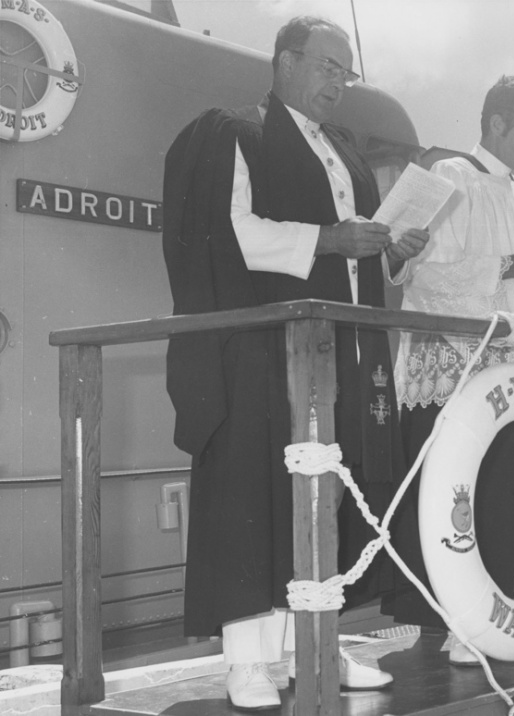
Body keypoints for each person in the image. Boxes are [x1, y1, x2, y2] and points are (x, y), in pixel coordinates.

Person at [162, 16, 429, 710]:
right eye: (327, 67)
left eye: (346, 73)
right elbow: (231, 233)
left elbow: (351, 255)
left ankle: (318, 643)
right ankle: (249, 662)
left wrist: (388, 252)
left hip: (337, 349)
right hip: (262, 354)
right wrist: (331, 239)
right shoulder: (232, 132)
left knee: (329, 497)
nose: (338, 83)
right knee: (257, 498)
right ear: (284, 61)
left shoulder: (346, 154)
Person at [382, 76, 514, 664]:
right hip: (459, 366)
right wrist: (510, 265)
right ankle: (458, 625)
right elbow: (424, 274)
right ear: (495, 123)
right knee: (474, 493)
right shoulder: (451, 177)